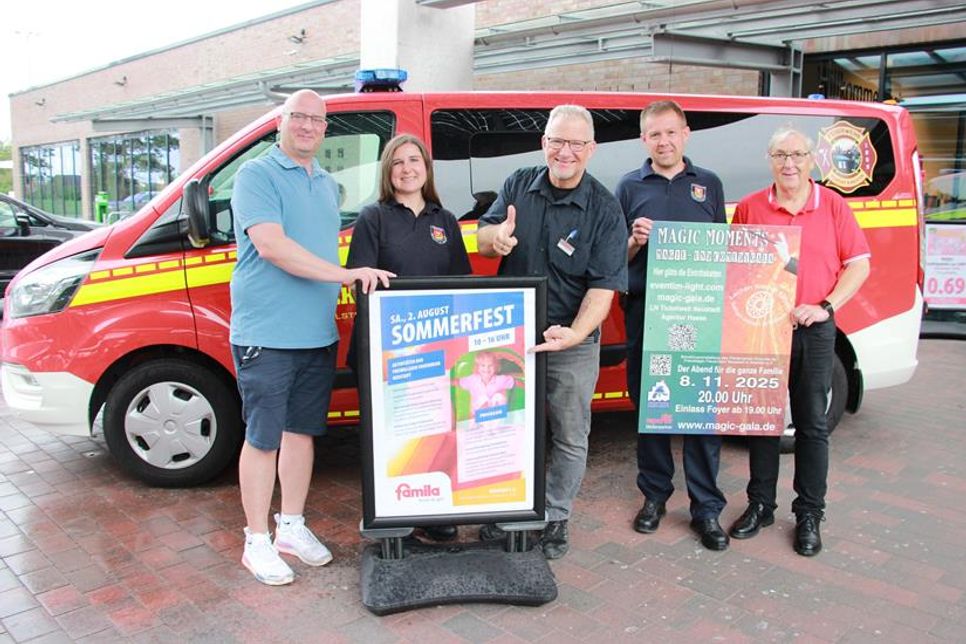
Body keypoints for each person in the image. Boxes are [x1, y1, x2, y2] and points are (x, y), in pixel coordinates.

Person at [230, 89, 393, 585]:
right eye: (297, 117)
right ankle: (255, 539)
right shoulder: (255, 175)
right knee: (262, 438)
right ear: (282, 122)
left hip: (315, 334)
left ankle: (290, 527)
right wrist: (347, 276)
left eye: (316, 120)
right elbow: (273, 247)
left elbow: (317, 247)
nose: (306, 126)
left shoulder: (325, 184)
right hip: (268, 333)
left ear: (325, 129)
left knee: (300, 434)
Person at [476, 104, 628, 559]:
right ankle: (504, 510)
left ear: (591, 149)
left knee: (568, 434)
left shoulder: (605, 209)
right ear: (544, 143)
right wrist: (495, 240)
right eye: (557, 141)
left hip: (570, 340)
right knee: (502, 428)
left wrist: (577, 334)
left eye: (576, 143)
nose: (566, 151)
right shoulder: (518, 183)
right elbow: (486, 235)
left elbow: (603, 290)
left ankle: (555, 516)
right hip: (510, 336)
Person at [729, 126, 870, 556]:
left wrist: (825, 305)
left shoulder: (832, 205)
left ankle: (809, 512)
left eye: (798, 155)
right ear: (769, 159)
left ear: (812, 160)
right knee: (761, 423)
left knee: (811, 425)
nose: (789, 163)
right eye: (780, 155)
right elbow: (735, 267)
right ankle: (761, 504)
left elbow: (859, 265)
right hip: (764, 329)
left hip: (814, 327)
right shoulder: (751, 207)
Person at [615, 100, 730, 551]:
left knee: (700, 411)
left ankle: (706, 508)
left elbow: (724, 252)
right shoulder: (627, 186)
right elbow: (613, 261)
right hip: (648, 310)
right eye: (654, 135)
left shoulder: (710, 184)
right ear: (644, 140)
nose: (663, 141)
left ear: (686, 133)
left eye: (671, 132)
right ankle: (655, 497)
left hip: (699, 314)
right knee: (652, 408)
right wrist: (632, 241)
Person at [346, 133, 471, 543]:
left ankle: (435, 511)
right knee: (392, 436)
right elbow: (357, 282)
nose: (407, 169)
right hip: (389, 352)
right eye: (398, 162)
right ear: (387, 171)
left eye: (414, 160)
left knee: (436, 432)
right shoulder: (373, 217)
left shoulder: (445, 220)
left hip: (437, 350)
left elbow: (462, 285)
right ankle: (393, 512)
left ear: (426, 168)